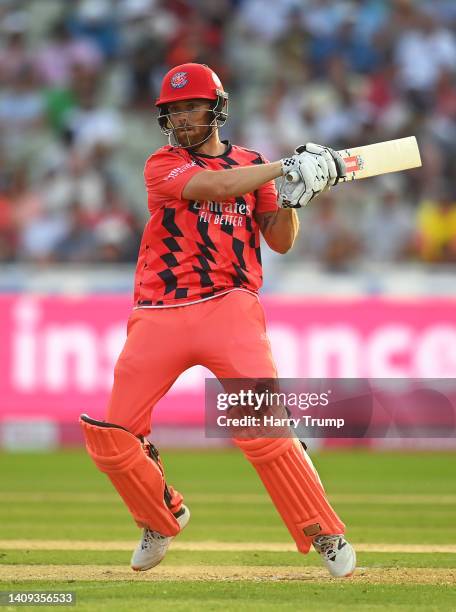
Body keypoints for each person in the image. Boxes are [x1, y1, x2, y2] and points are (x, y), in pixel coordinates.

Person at [79, 62, 356, 578]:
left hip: (229, 307)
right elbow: (214, 188)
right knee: (114, 434)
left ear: (217, 109)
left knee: (261, 424)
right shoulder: (161, 164)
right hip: (159, 311)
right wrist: (282, 168)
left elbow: (280, 240)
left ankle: (324, 532)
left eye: (191, 107)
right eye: (174, 110)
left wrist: (295, 196)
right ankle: (160, 517)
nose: (181, 118)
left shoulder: (253, 163)